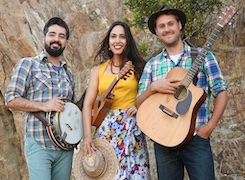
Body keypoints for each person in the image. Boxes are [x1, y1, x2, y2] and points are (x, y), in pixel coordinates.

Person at [136, 4, 228, 180]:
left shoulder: (202, 56)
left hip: (196, 140)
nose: (167, 29)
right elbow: (139, 103)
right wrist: (153, 88)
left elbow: (221, 91)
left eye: (170, 24)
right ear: (156, 31)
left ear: (179, 25)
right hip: (163, 140)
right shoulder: (152, 65)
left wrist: (210, 126)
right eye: (161, 26)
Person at [5, 17, 76, 180]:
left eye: (61, 36)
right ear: (44, 38)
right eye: (52, 34)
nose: (56, 39)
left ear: (66, 42)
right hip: (39, 142)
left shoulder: (68, 74)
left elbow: (72, 112)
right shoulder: (28, 64)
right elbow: (11, 99)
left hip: (65, 149)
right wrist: (44, 106)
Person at [82, 21, 150, 179]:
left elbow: (150, 99)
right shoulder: (98, 69)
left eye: (122, 37)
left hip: (131, 129)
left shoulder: (139, 68)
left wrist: (139, 109)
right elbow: (87, 105)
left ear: (128, 41)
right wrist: (87, 136)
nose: (117, 41)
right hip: (106, 131)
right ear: (108, 41)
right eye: (113, 37)